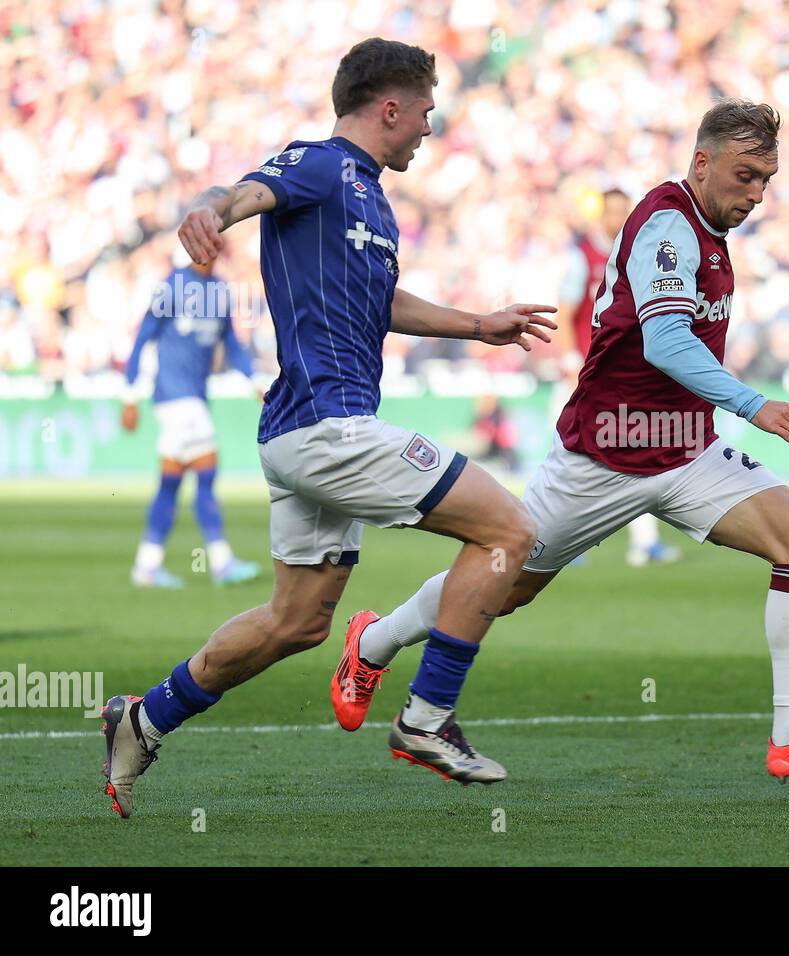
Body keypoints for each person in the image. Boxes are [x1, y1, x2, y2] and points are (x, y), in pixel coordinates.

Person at [99, 38, 557, 817]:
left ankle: (142, 720)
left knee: (298, 621)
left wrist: (479, 325)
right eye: (424, 114)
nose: (427, 129)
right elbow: (240, 191)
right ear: (389, 108)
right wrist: (207, 210)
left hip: (303, 436)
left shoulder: (372, 202)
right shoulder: (323, 164)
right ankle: (426, 718)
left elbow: (383, 303)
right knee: (512, 531)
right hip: (330, 428)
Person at [335, 98, 789, 780]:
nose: (755, 194)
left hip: (688, 450)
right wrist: (753, 404)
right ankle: (374, 639)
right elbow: (664, 342)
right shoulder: (669, 225)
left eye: (765, 181)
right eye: (744, 175)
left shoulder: (711, 230)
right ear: (701, 162)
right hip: (604, 455)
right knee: (505, 586)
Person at [555, 188, 681, 568]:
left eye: (624, 211)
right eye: (613, 212)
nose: (618, 218)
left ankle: (644, 542)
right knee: (570, 456)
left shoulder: (637, 252)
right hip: (584, 372)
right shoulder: (583, 258)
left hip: (620, 374)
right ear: (601, 215)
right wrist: (568, 356)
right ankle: (559, 538)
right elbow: (566, 310)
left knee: (629, 451)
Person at [122, 252, 262, 588]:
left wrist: (254, 381)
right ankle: (221, 561)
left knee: (171, 483)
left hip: (194, 397)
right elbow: (143, 338)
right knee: (206, 472)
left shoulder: (218, 290)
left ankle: (147, 565)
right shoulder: (171, 287)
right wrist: (130, 395)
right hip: (175, 396)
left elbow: (231, 344)